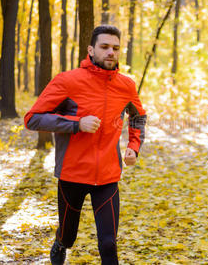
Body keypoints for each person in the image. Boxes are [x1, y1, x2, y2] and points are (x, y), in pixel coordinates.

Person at [24, 25, 146, 264]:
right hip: (72, 175)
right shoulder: (67, 81)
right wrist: (77, 123)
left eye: (115, 48)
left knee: (109, 244)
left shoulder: (126, 86)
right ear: (91, 50)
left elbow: (138, 116)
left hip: (108, 177)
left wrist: (134, 145)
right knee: (69, 236)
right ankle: (60, 244)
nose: (111, 52)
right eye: (104, 47)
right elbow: (33, 118)